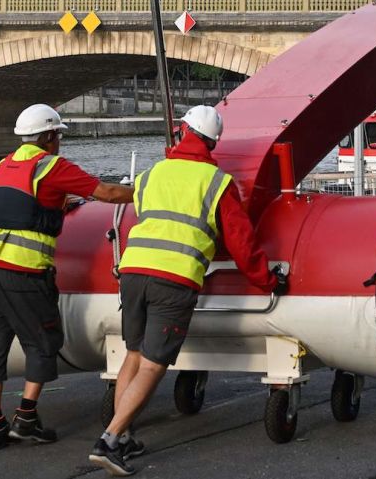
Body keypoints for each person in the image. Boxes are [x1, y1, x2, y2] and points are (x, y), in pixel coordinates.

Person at [89, 106, 287, 476]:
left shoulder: (151, 174)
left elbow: (149, 215)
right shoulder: (216, 182)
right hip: (174, 278)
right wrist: (269, 280)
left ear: (182, 132)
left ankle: (125, 434)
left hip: (132, 272)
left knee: (132, 356)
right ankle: (110, 440)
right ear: (213, 143)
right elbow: (242, 243)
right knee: (153, 364)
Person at [0, 104, 134, 451]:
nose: (59, 141)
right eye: (57, 135)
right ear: (48, 137)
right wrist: (145, 194)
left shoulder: (0, 167)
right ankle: (26, 419)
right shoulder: (51, 166)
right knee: (43, 343)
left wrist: (61, 205)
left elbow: (19, 208)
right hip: (26, 274)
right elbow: (105, 193)